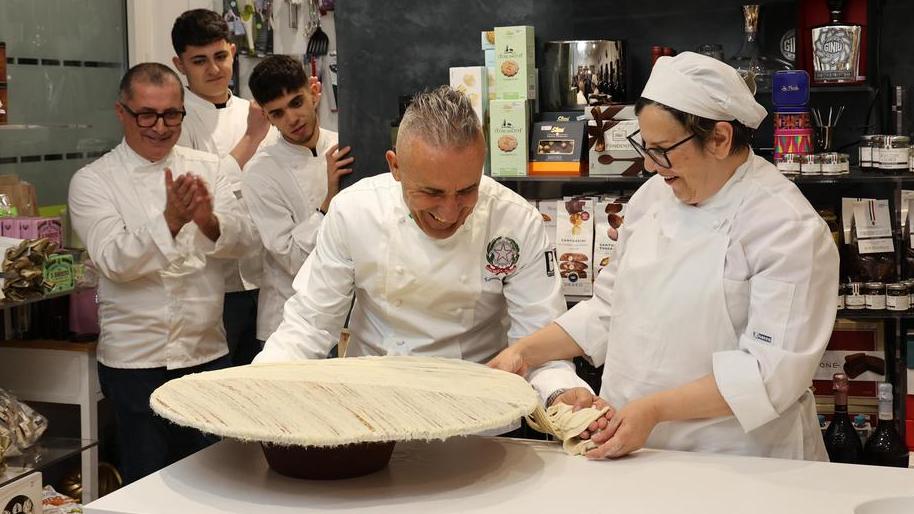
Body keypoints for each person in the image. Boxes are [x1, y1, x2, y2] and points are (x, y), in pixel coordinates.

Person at [489, 52, 840, 460]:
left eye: (662, 150)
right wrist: (523, 352)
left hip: (739, 459)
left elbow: (767, 375)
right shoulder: (655, 196)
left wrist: (654, 410)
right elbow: (608, 308)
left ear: (720, 138)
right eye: (646, 147)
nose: (651, 166)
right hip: (633, 446)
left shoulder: (785, 228)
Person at [254, 86, 594, 409]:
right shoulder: (354, 211)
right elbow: (310, 323)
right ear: (395, 167)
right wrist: (258, 385)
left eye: (466, 191)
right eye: (431, 193)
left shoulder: (516, 221)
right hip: (373, 406)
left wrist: (560, 392)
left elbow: (539, 341)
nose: (449, 213)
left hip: (478, 412)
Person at [68, 63, 254, 483]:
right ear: (122, 112)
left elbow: (248, 243)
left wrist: (208, 221)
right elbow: (114, 258)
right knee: (149, 484)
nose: (160, 126)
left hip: (207, 354)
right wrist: (169, 220)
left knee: (218, 479)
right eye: (146, 115)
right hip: (135, 361)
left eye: (172, 114)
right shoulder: (93, 181)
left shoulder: (213, 167)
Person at [170, 8, 273, 366]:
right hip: (212, 287)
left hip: (265, 277)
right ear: (179, 64)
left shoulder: (255, 111)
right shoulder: (176, 120)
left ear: (232, 50)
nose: (213, 69)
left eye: (220, 56)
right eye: (199, 61)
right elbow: (200, 194)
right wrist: (250, 139)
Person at [241, 55, 353, 344]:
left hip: (348, 319)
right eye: (277, 113)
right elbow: (292, 258)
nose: (292, 119)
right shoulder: (260, 172)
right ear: (266, 117)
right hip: (289, 324)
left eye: (296, 102)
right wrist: (329, 199)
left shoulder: (345, 144)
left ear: (314, 93)